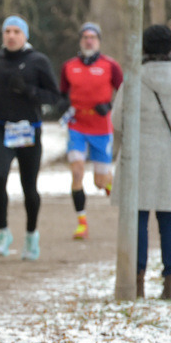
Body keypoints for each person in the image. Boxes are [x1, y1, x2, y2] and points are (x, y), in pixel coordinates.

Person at [0, 15, 63, 260]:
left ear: (25, 35)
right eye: (7, 31)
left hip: (29, 130)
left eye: (16, 31)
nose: (11, 35)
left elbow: (54, 96)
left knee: (29, 187)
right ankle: (3, 232)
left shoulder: (37, 61)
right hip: (1, 128)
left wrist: (29, 91)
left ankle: (31, 235)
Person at [113, 25, 171, 299]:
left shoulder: (134, 78)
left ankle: (136, 281)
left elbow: (117, 119)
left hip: (138, 155)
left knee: (136, 219)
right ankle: (170, 281)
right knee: (168, 221)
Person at [59, 22, 123, 240]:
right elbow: (62, 93)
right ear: (80, 40)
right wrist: (63, 105)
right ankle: (81, 223)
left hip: (101, 128)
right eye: (85, 37)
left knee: (100, 181)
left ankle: (109, 182)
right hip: (77, 126)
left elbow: (124, 91)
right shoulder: (69, 66)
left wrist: (111, 105)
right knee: (76, 171)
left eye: (93, 37)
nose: (89, 40)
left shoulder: (110, 66)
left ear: (99, 41)